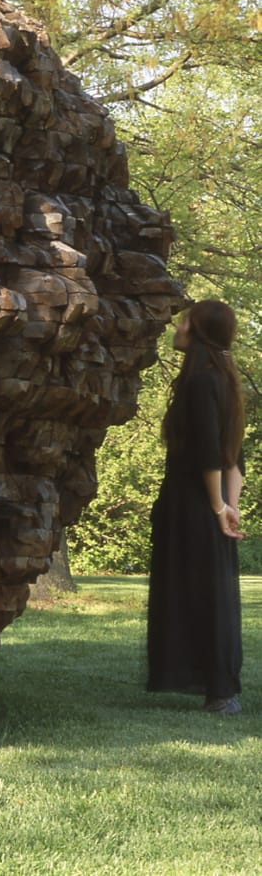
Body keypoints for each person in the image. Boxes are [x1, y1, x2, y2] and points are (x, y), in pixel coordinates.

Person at [146, 299, 246, 715]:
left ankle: (221, 692)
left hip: (193, 499)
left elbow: (210, 452)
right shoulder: (224, 378)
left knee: (197, 591)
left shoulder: (199, 380)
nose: (177, 325)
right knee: (213, 591)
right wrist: (228, 507)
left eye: (184, 320)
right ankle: (220, 689)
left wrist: (216, 504)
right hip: (211, 499)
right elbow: (233, 456)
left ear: (198, 330)